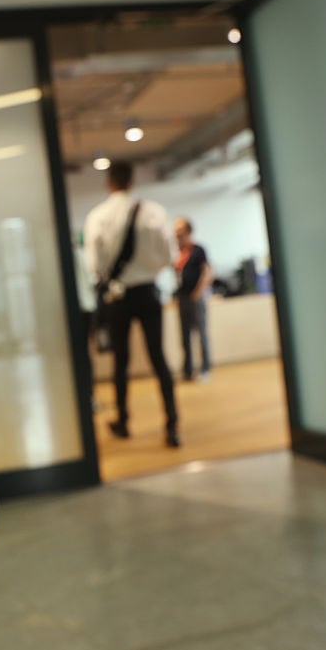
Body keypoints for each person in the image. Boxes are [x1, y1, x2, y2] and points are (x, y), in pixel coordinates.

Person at [84, 160, 180, 447]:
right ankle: (172, 424)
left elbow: (94, 265)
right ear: (132, 181)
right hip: (149, 293)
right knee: (158, 358)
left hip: (119, 297)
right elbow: (170, 256)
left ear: (109, 183)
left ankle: (123, 421)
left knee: (121, 361)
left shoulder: (99, 216)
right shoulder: (153, 213)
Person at [174, 216, 213, 381]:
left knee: (201, 333)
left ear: (188, 231)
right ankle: (188, 370)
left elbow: (207, 272)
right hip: (182, 297)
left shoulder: (198, 250)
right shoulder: (178, 253)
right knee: (185, 335)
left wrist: (198, 292)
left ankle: (205, 368)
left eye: (180, 230)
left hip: (196, 296)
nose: (176, 233)